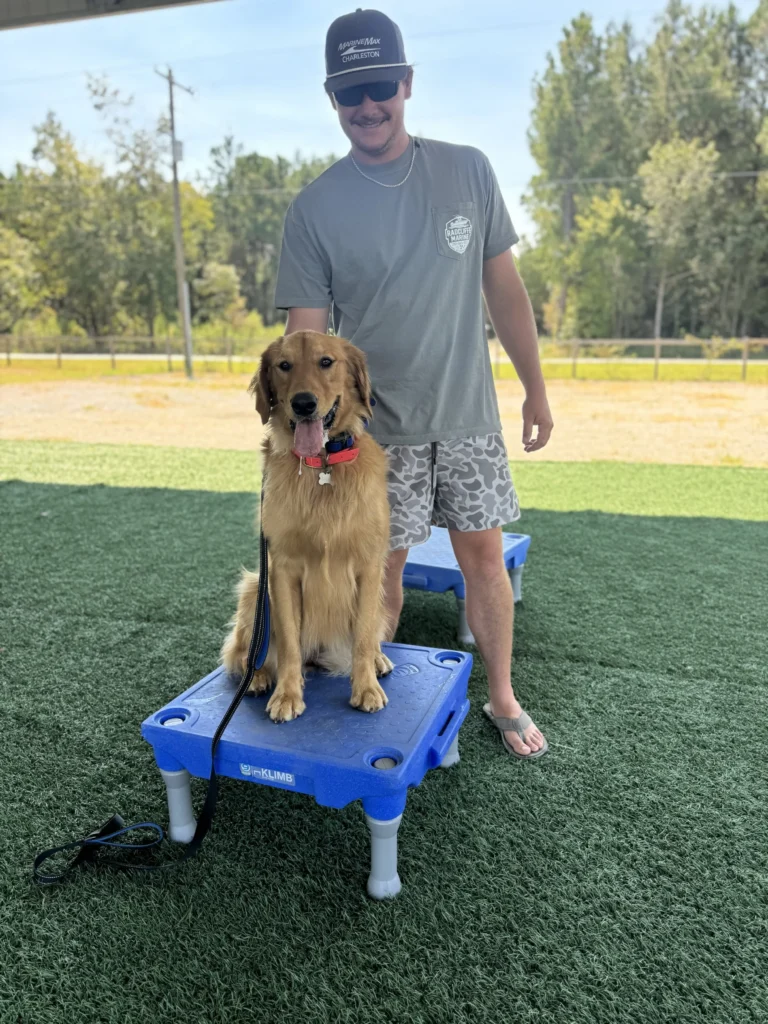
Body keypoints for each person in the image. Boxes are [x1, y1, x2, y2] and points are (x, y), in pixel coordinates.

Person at [274, 8, 554, 759]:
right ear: (331, 98)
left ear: (406, 83)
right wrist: (303, 435)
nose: (367, 106)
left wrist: (535, 387)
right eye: (349, 93)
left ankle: (500, 696)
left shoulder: (468, 170)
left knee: (485, 564)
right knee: (378, 573)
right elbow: (304, 346)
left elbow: (507, 293)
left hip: (467, 416)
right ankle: (367, 698)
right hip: (373, 434)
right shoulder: (314, 209)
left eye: (379, 87)